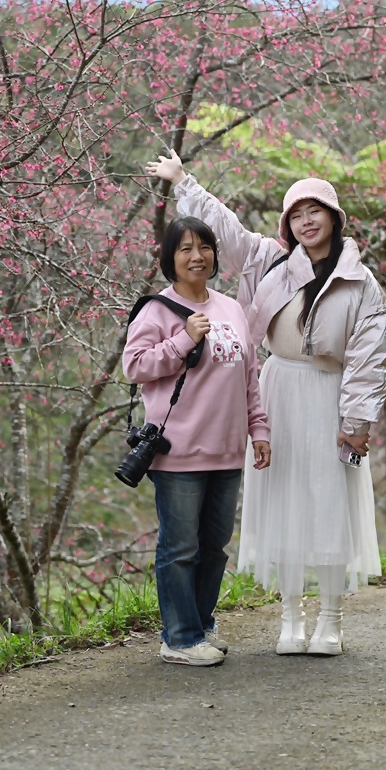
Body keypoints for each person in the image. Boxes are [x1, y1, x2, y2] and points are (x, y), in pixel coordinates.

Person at [146, 151, 386, 657]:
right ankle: (290, 617)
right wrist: (183, 182)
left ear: (334, 217)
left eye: (315, 211)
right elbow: (226, 231)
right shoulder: (270, 261)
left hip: (331, 395)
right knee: (283, 502)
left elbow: (368, 357)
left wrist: (357, 421)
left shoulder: (360, 281)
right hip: (277, 392)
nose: (306, 222)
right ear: (287, 223)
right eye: (296, 214)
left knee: (328, 505)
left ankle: (331, 619)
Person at [123, 216, 271, 667]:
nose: (197, 256)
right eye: (185, 248)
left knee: (213, 546)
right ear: (169, 257)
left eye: (204, 247)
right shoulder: (157, 311)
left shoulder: (230, 309)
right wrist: (182, 341)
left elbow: (249, 377)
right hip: (179, 453)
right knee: (180, 548)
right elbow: (134, 367)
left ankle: (201, 626)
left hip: (227, 451)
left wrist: (258, 429)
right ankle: (180, 638)